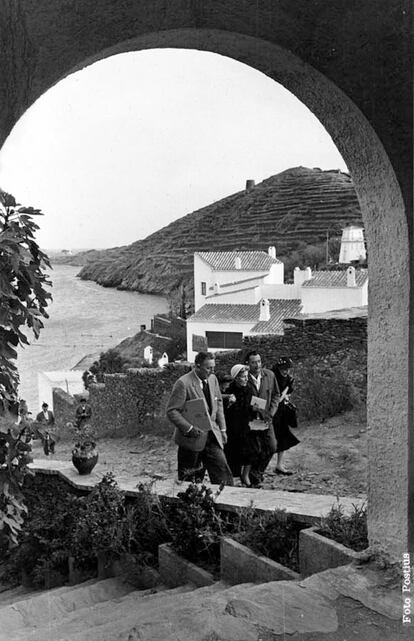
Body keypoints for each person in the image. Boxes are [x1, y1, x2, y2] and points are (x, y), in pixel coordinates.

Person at [166, 351, 233, 485]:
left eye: (213, 368)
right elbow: (172, 411)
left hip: (212, 436)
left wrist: (223, 430)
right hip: (191, 439)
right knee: (189, 482)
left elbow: (218, 403)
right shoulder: (183, 383)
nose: (212, 371)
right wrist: (189, 429)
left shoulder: (213, 379)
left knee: (223, 475)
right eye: (208, 368)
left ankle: (223, 502)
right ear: (197, 366)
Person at [245, 350, 280, 486]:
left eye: (258, 361)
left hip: (266, 418)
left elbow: (276, 394)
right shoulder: (244, 377)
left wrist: (271, 411)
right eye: (253, 362)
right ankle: (250, 476)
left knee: (272, 446)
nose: (257, 365)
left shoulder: (269, 375)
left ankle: (257, 472)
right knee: (255, 449)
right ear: (247, 364)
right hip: (251, 420)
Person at [223, 364, 259, 487]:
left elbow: (256, 403)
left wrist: (256, 408)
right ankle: (235, 478)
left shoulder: (249, 388)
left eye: (246, 376)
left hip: (247, 425)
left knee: (251, 451)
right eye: (243, 377)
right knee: (234, 453)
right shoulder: (229, 390)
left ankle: (246, 475)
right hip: (233, 427)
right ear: (236, 378)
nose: (246, 379)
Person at [272, 356, 300, 475]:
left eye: (287, 368)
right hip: (271, 409)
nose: (285, 371)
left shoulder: (289, 379)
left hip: (281, 410)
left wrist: (284, 397)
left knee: (283, 436)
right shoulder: (272, 377)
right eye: (283, 368)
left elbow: (286, 393)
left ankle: (279, 465)